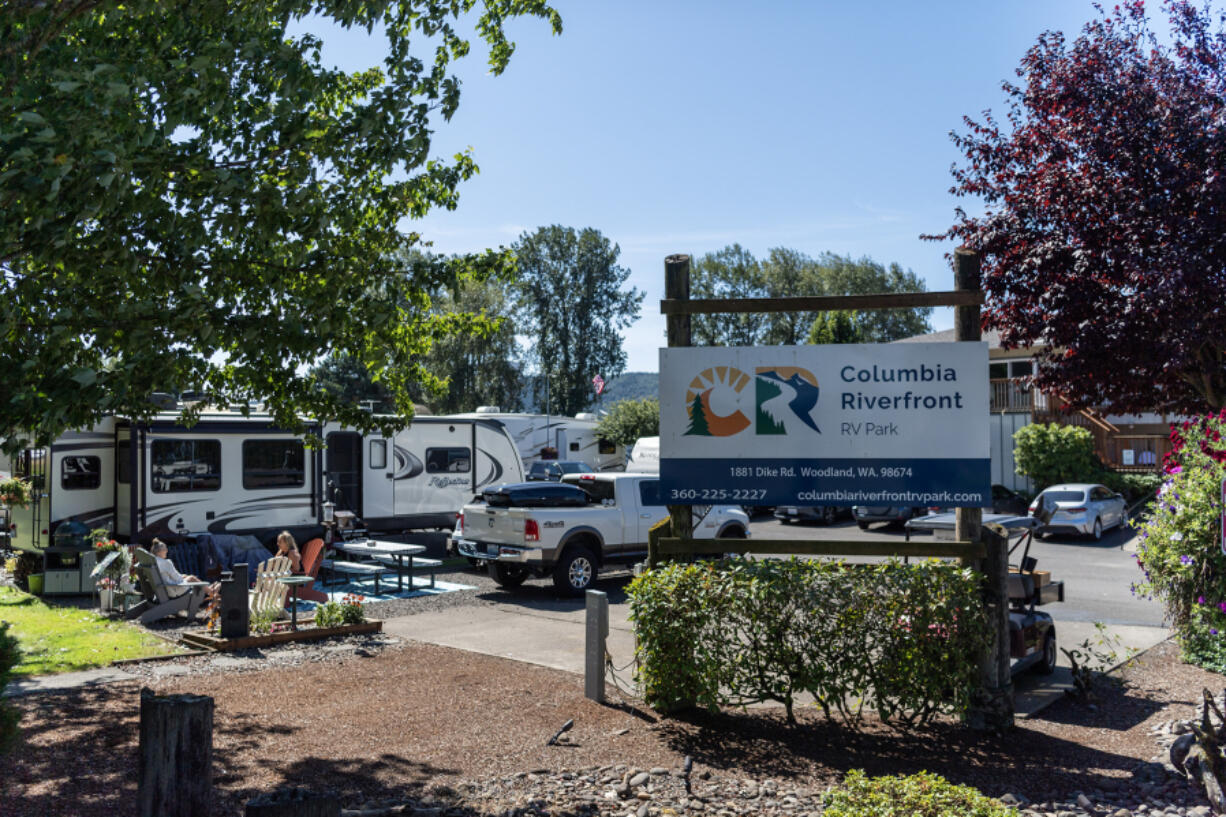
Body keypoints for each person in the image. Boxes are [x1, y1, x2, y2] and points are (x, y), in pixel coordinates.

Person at [150, 539, 217, 600]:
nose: (167, 550)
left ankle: (210, 590)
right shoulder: (166, 563)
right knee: (192, 578)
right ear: (158, 552)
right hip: (174, 591)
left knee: (188, 577)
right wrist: (185, 577)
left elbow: (169, 576)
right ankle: (213, 593)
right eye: (164, 549)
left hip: (164, 590)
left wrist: (183, 576)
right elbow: (178, 579)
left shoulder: (154, 562)